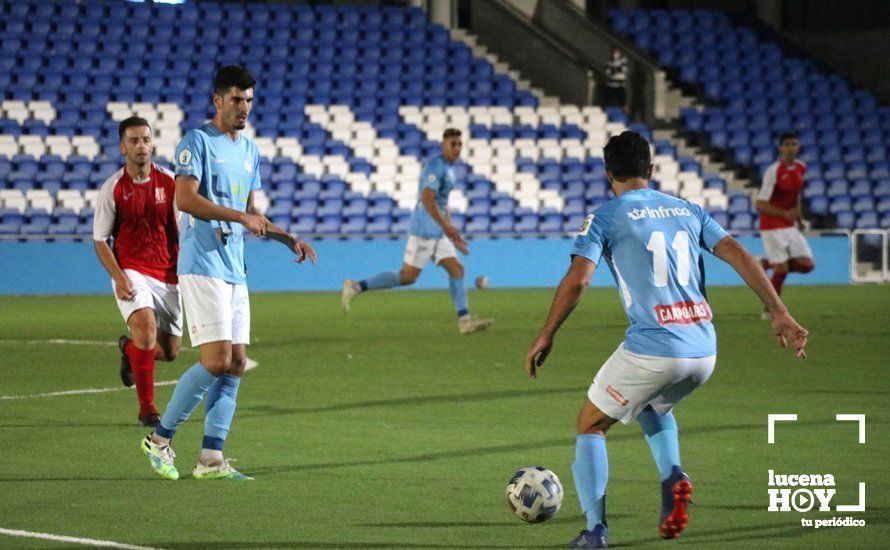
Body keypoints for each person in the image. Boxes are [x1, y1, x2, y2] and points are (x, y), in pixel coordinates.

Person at [524, 131, 808, 548]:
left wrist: (546, 334)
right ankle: (674, 476)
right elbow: (740, 254)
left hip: (654, 346)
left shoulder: (604, 216)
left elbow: (578, 281)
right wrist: (780, 312)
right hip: (703, 348)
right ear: (651, 171)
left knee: (591, 423)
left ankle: (594, 532)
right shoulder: (688, 209)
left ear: (608, 174)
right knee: (653, 406)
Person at [140, 65, 317, 481]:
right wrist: (239, 216)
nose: (244, 108)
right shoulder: (197, 141)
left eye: (249, 100)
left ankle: (211, 459)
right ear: (218, 100)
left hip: (235, 267)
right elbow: (185, 199)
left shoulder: (249, 150)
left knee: (236, 362)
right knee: (216, 360)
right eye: (237, 99)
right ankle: (159, 439)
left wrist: (288, 238)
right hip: (202, 265)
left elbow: (253, 214)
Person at [340, 128, 493, 334]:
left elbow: (442, 202)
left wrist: (449, 228)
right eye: (452, 144)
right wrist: (446, 226)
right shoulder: (435, 167)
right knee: (407, 276)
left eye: (459, 144)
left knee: (457, 270)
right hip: (423, 230)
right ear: (443, 145)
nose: (457, 148)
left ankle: (464, 320)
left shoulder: (449, 169)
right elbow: (427, 199)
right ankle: (356, 286)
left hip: (437, 231)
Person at [93, 116, 181, 427]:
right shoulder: (113, 188)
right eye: (134, 140)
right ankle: (147, 410)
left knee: (170, 352)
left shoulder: (170, 182)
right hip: (132, 271)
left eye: (145, 139)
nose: (141, 145)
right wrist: (119, 277)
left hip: (169, 274)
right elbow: (100, 239)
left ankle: (128, 350)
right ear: (122, 146)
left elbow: (184, 232)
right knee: (145, 329)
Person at [755, 131, 815, 319]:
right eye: (787, 144)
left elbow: (795, 196)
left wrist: (799, 219)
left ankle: (765, 263)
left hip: (790, 226)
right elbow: (760, 204)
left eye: (794, 144)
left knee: (807, 265)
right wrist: (783, 213)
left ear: (798, 147)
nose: (790, 148)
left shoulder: (800, 168)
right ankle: (771, 310)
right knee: (781, 270)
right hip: (771, 225)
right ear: (781, 148)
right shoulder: (773, 171)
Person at [604, 46, 628, 110]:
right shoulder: (609, 61)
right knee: (609, 102)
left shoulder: (623, 60)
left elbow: (624, 70)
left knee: (623, 102)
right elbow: (608, 72)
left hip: (620, 85)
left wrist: (614, 69)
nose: (615, 53)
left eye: (617, 51)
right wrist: (616, 69)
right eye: (614, 52)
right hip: (611, 85)